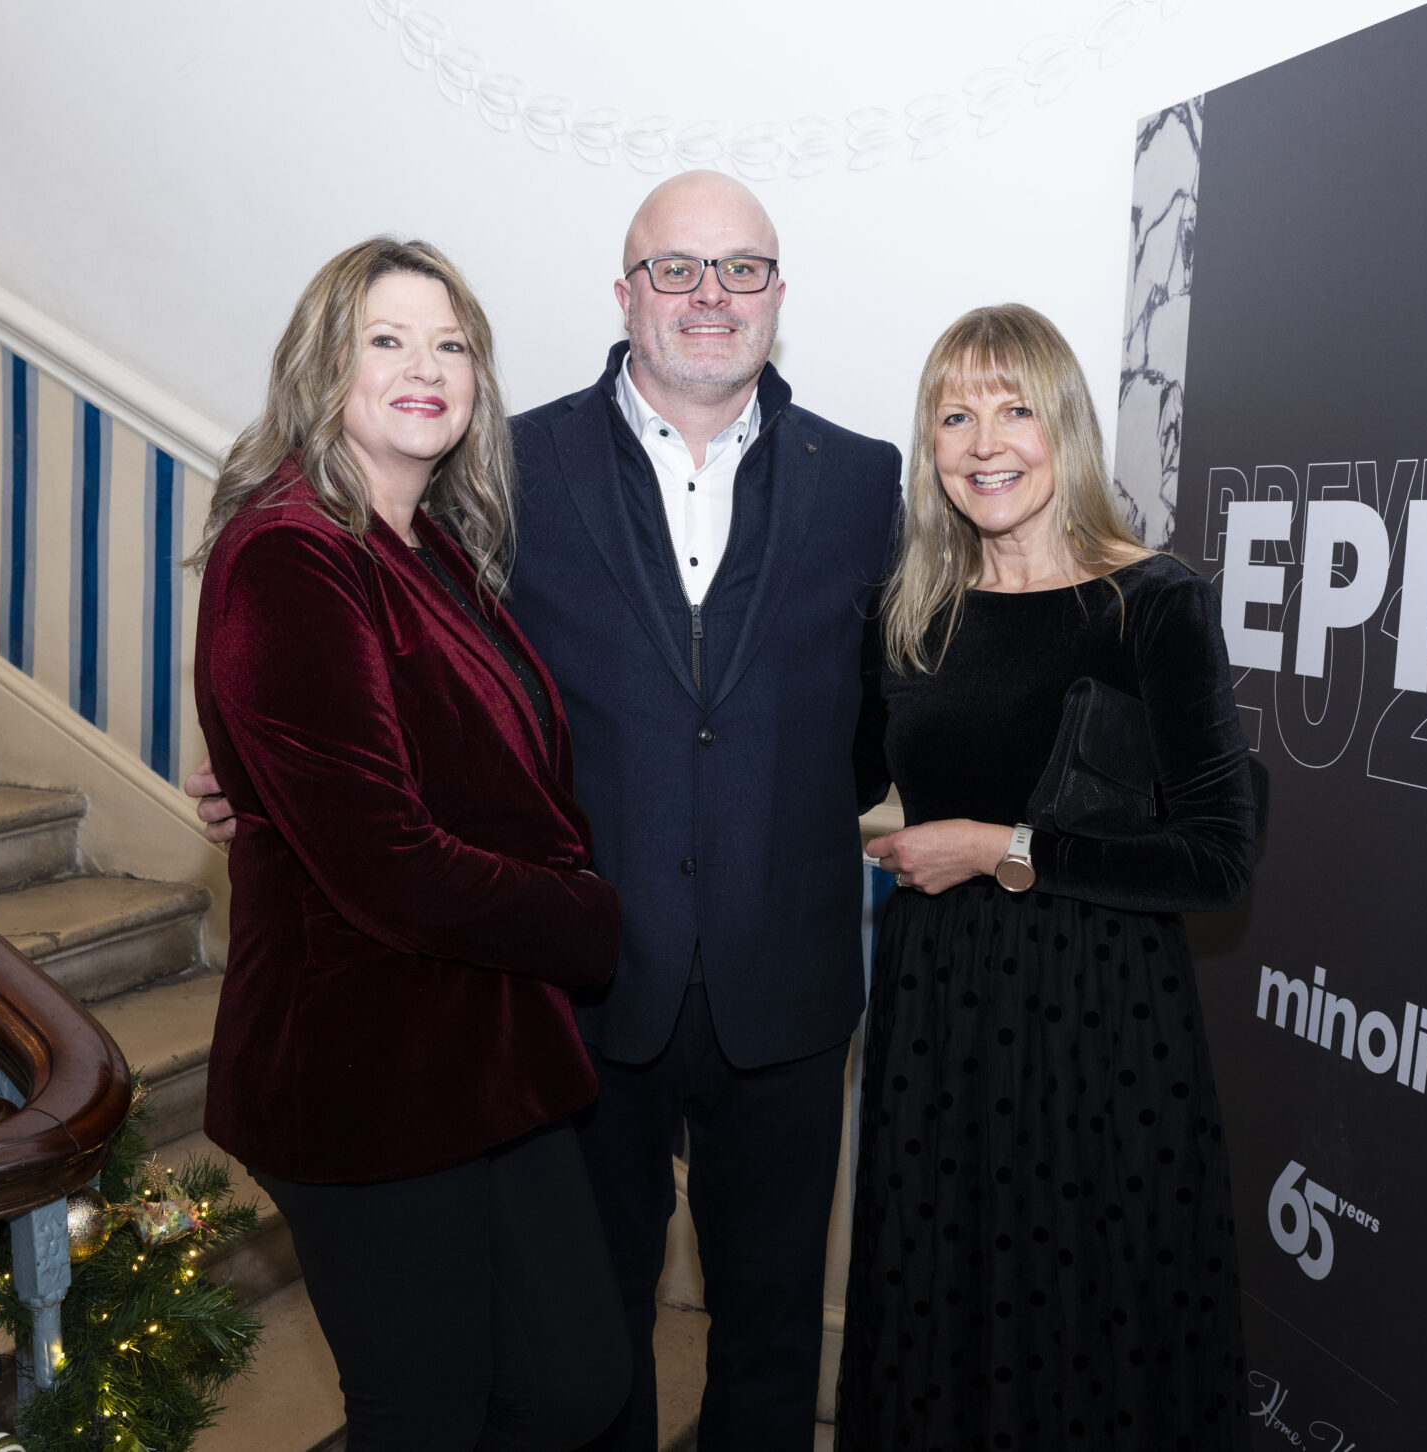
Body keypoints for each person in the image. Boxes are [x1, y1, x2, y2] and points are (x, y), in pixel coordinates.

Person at [189, 177, 900, 1449]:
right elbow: (371, 718)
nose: (709, 296)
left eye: (741, 269)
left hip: (783, 981)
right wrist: (270, 779)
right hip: (570, 1002)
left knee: (761, 1335)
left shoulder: (859, 479)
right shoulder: (505, 465)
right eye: (676, 268)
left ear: (778, 295)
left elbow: (877, 716)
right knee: (581, 1359)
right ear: (625, 292)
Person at [190, 237, 630, 1452]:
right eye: (386, 340)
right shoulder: (290, 552)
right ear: (322, 367)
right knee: (424, 1413)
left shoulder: (424, 542)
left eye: (452, 345)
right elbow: (385, 859)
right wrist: (587, 918)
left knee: (576, 1380)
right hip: (359, 1065)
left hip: (483, 1046)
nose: (425, 368)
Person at [843, 303, 1255, 1450]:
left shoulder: (1152, 603)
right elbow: (832, 778)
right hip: (940, 1022)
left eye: (1014, 409)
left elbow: (1217, 856)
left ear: (1063, 425)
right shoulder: (907, 613)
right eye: (955, 416)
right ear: (929, 444)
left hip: (1101, 1021)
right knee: (944, 1310)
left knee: (1089, 1319)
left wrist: (999, 848)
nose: (985, 444)